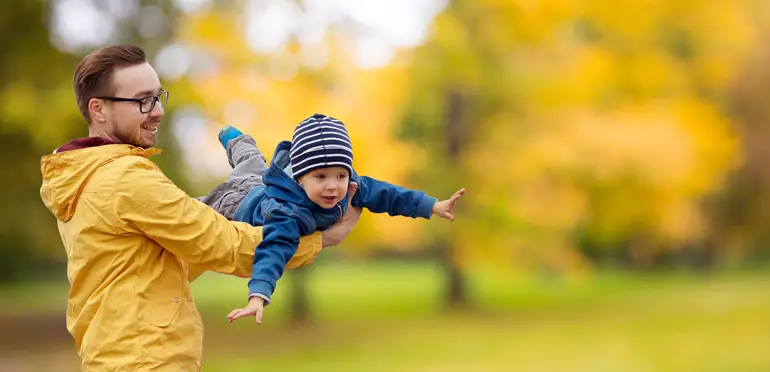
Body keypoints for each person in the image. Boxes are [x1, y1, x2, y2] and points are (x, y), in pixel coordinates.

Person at [39, 45, 361, 371]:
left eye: (157, 97)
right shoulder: (124, 179)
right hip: (145, 361)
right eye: (142, 101)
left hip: (121, 355)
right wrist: (319, 239)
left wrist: (233, 204)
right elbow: (221, 243)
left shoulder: (87, 176)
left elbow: (172, 256)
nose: (157, 111)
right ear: (98, 109)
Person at [205, 114, 465, 324]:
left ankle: (237, 141)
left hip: (263, 184)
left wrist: (432, 206)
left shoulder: (349, 186)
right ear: (299, 177)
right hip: (236, 204)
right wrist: (257, 296)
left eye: (340, 175)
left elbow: (387, 194)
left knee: (252, 165)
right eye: (321, 177)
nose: (333, 187)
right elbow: (273, 251)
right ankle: (234, 138)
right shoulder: (287, 213)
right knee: (229, 182)